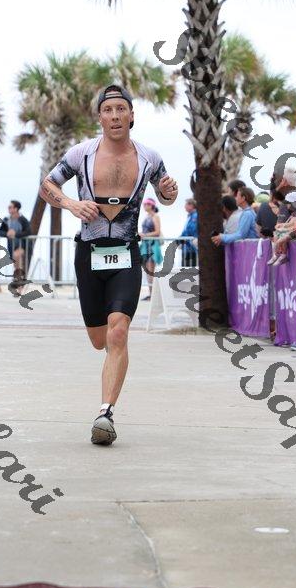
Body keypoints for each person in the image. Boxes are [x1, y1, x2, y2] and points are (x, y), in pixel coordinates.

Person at [39, 83, 178, 446]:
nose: (115, 116)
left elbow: (165, 195)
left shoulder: (149, 157)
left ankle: (105, 414)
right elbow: (47, 186)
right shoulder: (81, 154)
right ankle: (109, 369)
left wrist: (170, 192)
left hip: (127, 252)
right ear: (99, 117)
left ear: (132, 115)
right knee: (99, 339)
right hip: (89, 253)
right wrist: (72, 204)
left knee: (118, 332)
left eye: (121, 109)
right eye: (108, 110)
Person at [0, 200, 32, 295]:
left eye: (10, 207)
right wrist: (7, 233)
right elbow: (0, 232)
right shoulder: (6, 219)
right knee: (17, 266)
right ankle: (19, 285)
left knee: (17, 259)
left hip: (23, 246)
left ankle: (19, 287)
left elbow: (28, 231)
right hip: (11, 246)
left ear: (16, 209)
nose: (8, 208)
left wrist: (15, 234)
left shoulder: (22, 219)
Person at [139, 198, 163, 300]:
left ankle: (153, 295)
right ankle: (151, 294)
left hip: (152, 245)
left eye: (146, 204)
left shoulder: (155, 216)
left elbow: (157, 232)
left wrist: (145, 235)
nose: (144, 206)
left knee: (151, 270)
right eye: (144, 204)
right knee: (147, 270)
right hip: (145, 245)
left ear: (151, 205)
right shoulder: (147, 216)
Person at [179, 198, 198, 267]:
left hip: (191, 247)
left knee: (189, 268)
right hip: (187, 247)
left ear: (191, 205)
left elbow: (191, 230)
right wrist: (179, 240)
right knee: (185, 268)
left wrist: (182, 238)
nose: (184, 207)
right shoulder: (189, 216)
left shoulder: (195, 216)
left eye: (186, 205)